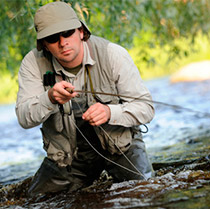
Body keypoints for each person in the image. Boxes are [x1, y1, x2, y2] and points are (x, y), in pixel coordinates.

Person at [15, 1, 154, 196]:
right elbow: (23, 117)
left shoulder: (113, 54)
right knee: (35, 202)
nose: (63, 42)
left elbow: (146, 108)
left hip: (121, 148)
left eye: (67, 33)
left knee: (147, 192)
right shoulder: (32, 64)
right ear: (44, 44)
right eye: (53, 38)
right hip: (71, 158)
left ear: (81, 31)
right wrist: (49, 98)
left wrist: (109, 112)